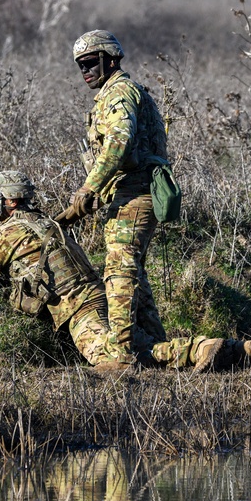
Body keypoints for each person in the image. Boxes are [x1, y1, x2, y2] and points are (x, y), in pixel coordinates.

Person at [0, 171, 251, 371]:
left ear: (8, 200)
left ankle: (204, 347)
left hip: (79, 309)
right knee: (140, 346)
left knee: (118, 359)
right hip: (100, 296)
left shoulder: (9, 231)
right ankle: (235, 348)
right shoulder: (47, 223)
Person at [57, 30, 168, 369]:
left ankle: (120, 356)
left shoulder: (120, 92)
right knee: (134, 274)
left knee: (119, 270)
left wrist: (89, 189)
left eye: (91, 62)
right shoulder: (114, 92)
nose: (85, 71)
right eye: (80, 66)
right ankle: (160, 350)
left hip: (136, 194)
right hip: (130, 194)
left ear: (112, 59)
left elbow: (119, 143)